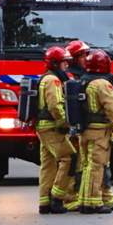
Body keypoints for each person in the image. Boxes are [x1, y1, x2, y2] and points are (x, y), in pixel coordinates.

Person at [76, 50, 113, 214]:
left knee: (87, 166)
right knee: (96, 166)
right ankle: (93, 203)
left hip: (84, 131)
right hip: (99, 132)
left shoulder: (83, 81)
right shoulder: (102, 84)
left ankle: (84, 201)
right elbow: (111, 107)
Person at [36, 46, 76, 214]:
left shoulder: (45, 78)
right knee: (70, 158)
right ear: (54, 63)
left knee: (48, 165)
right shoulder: (53, 80)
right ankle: (57, 198)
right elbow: (55, 105)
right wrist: (64, 123)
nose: (66, 65)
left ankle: (44, 203)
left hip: (44, 126)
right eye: (63, 62)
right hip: (51, 127)